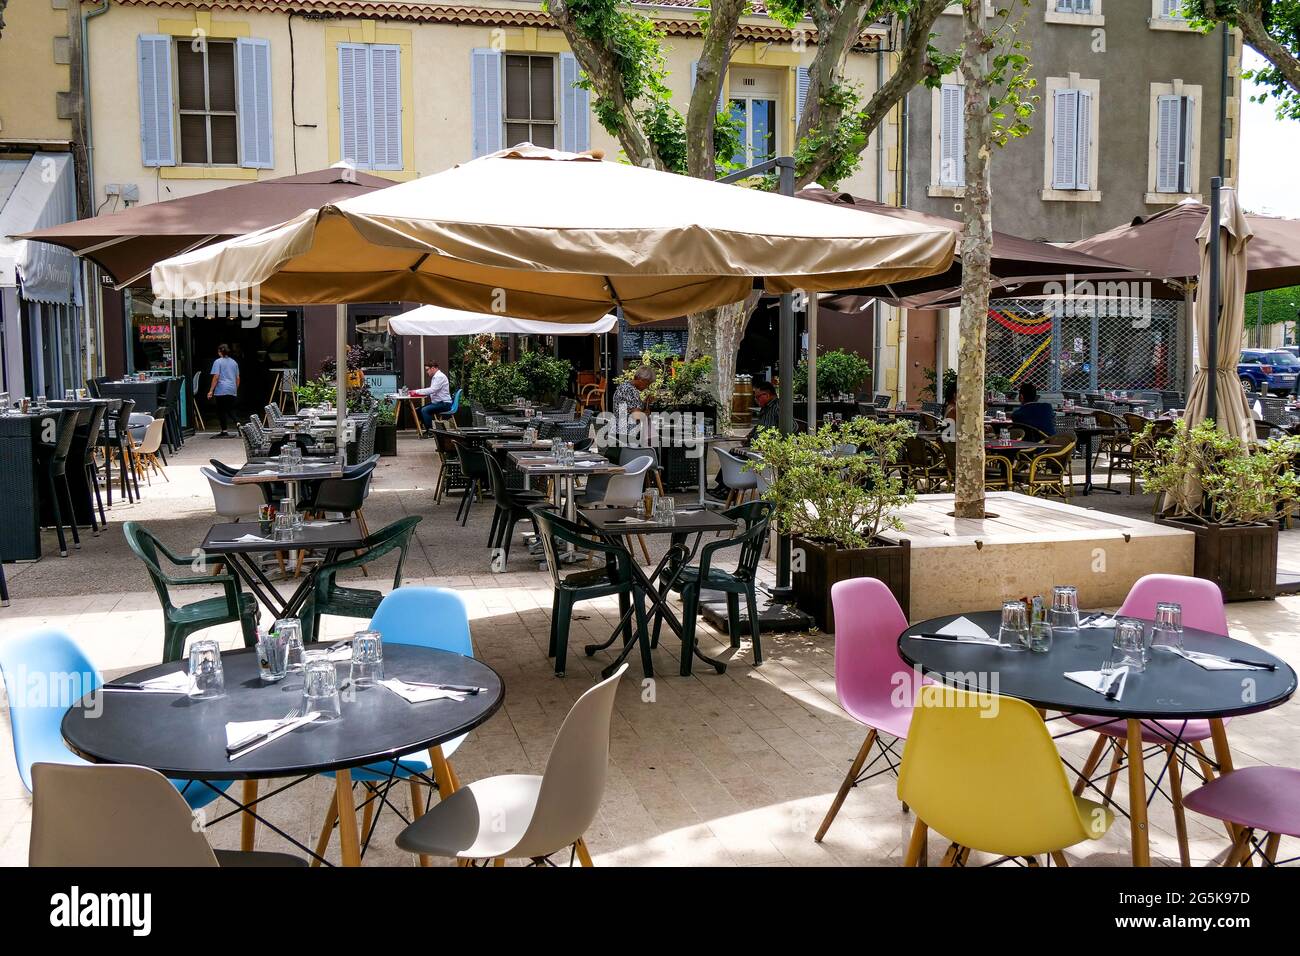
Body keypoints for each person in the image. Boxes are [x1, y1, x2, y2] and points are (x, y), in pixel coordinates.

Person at [611, 365, 655, 446]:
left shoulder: (626, 386)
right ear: (642, 380)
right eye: (647, 384)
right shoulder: (630, 390)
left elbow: (633, 408)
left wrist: (645, 402)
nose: (647, 387)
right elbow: (636, 416)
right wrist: (646, 414)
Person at [207, 344, 240, 438]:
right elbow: (238, 378)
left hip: (221, 389)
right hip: (232, 389)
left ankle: (224, 430)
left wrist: (210, 391)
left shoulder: (218, 362)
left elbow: (216, 377)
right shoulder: (234, 362)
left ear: (220, 352)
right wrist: (235, 389)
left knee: (221, 410)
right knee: (230, 409)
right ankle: (238, 423)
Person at [412, 360, 453, 431]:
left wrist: (416, 391)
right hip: (438, 403)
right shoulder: (436, 377)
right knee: (418, 410)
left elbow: (432, 390)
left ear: (433, 368)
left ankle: (430, 431)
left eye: (427, 370)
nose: (427, 372)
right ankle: (425, 427)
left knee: (425, 410)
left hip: (444, 403)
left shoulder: (439, 377)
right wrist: (418, 393)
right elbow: (433, 391)